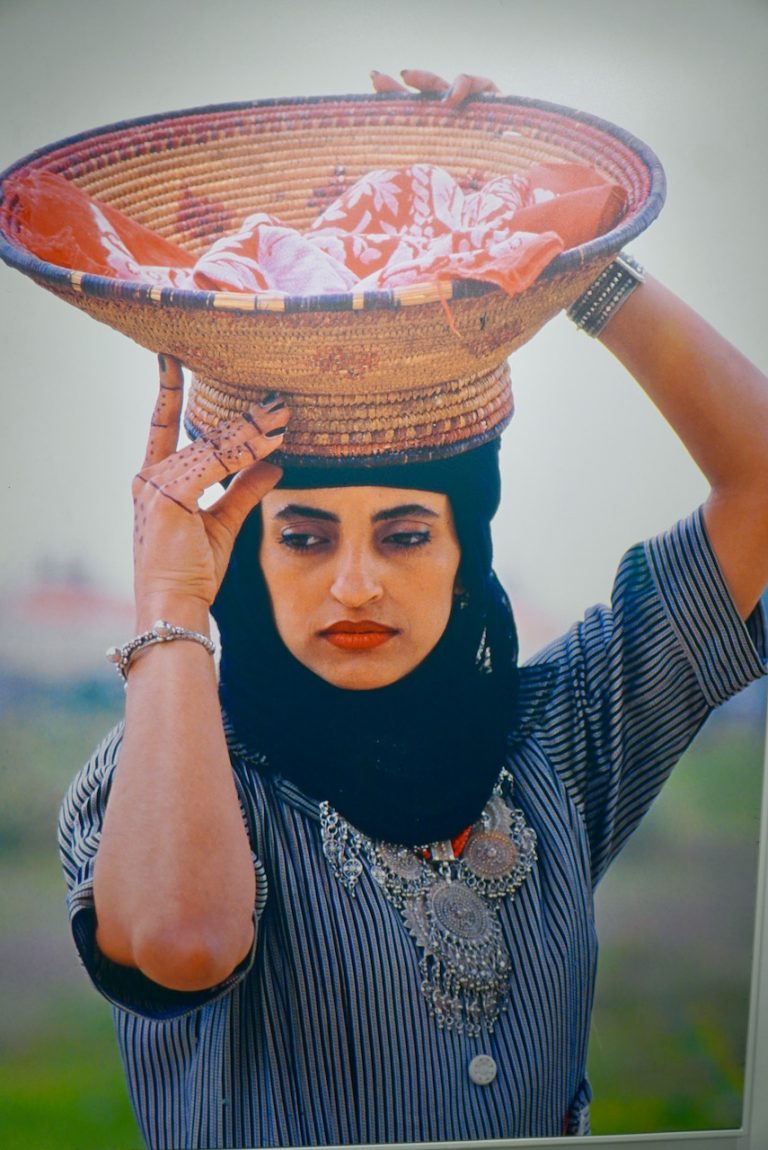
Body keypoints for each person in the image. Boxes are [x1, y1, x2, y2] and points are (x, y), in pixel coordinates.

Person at [58, 72, 768, 1149]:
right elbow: (181, 943)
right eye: (300, 538)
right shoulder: (159, 773)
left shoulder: (561, 739)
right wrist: (168, 604)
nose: (354, 584)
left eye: (404, 534)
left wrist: (562, 257)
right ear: (241, 556)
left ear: (463, 556)